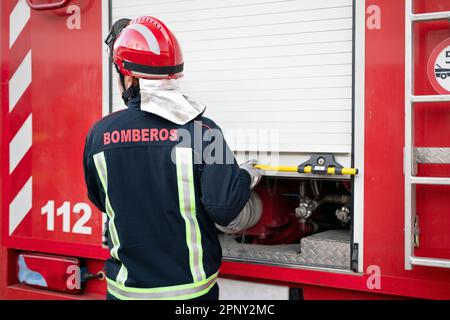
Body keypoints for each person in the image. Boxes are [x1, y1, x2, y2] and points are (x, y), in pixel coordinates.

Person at [83, 16, 262, 300]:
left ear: (128, 77)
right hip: (188, 295)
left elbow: (100, 198)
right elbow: (225, 207)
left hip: (124, 292)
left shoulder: (99, 135)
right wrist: (243, 175)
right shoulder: (203, 131)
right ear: (173, 75)